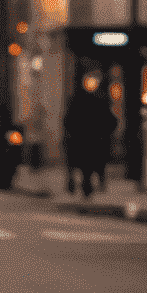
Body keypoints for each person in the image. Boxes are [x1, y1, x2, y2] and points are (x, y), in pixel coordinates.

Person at [63, 71, 117, 199]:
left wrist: (106, 133)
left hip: (95, 138)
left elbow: (110, 120)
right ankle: (84, 185)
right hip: (81, 138)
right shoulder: (77, 100)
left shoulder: (101, 100)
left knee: (93, 163)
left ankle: (90, 184)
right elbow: (68, 120)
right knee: (83, 164)